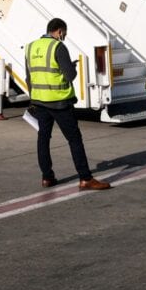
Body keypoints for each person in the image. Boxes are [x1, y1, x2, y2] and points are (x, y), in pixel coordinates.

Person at [25, 18, 111, 191]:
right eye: (64, 33)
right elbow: (70, 75)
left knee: (43, 138)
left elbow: (29, 76)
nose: (64, 36)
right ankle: (85, 178)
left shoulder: (31, 47)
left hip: (40, 101)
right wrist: (72, 68)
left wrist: (33, 98)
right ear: (59, 31)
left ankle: (47, 177)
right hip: (60, 102)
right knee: (74, 139)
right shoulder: (58, 47)